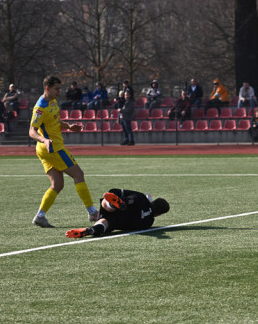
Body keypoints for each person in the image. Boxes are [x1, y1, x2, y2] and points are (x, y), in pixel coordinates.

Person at [28, 75, 99, 228]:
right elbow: (32, 132)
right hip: (53, 148)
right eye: (56, 89)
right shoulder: (40, 107)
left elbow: (54, 121)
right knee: (78, 174)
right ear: (47, 88)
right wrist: (44, 140)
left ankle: (40, 215)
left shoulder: (52, 101)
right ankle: (92, 212)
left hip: (46, 149)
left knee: (57, 184)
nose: (59, 91)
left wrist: (69, 126)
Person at [65, 189, 170, 238]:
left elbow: (115, 191)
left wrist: (115, 193)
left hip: (129, 203)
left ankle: (112, 205)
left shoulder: (143, 197)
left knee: (105, 204)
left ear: (153, 202)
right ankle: (91, 230)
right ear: (158, 214)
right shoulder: (149, 222)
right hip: (121, 221)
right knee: (105, 222)